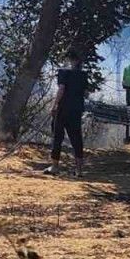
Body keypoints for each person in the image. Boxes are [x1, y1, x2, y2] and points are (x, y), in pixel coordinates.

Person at [44, 48, 87, 176]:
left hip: (62, 109)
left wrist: (54, 105)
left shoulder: (63, 72)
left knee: (57, 136)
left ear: (69, 59)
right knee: (76, 138)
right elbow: (85, 93)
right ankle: (79, 170)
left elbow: (61, 89)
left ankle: (54, 166)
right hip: (76, 110)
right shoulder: (83, 75)